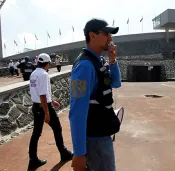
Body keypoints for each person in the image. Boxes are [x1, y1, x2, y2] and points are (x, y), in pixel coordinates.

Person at [69, 18, 121, 171]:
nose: (110, 38)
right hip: (95, 140)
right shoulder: (85, 66)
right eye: (107, 34)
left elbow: (115, 83)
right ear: (92, 35)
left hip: (101, 135)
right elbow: (77, 112)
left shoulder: (98, 61)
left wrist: (113, 60)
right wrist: (79, 153)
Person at [28, 53, 73, 170]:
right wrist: (47, 113)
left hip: (36, 106)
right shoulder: (44, 74)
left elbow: (40, 93)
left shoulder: (33, 74)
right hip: (43, 107)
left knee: (36, 134)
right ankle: (63, 153)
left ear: (38, 62)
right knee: (57, 128)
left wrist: (52, 101)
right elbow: (42, 95)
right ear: (47, 63)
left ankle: (32, 160)